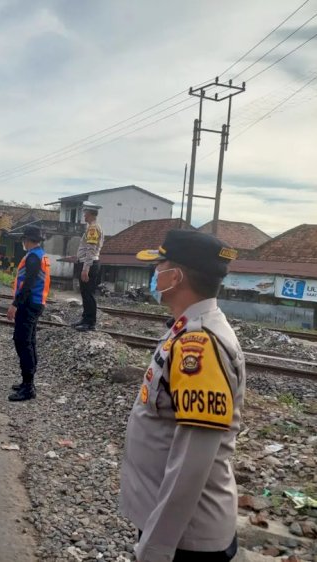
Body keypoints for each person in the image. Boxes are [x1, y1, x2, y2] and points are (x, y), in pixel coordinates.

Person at [119, 229, 244, 562]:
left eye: (159, 266)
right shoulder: (187, 327)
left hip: (185, 539)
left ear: (175, 276)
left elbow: (192, 462)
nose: (154, 274)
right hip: (176, 528)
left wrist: (156, 549)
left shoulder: (200, 344)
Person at [6, 226, 51, 402]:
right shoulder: (41, 255)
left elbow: (28, 283)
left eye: (24, 239)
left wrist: (15, 304)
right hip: (37, 302)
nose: (23, 242)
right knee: (29, 342)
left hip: (28, 303)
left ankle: (28, 387)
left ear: (28, 240)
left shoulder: (33, 257)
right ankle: (27, 382)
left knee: (22, 342)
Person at [72, 201, 103, 331]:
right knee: (85, 293)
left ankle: (90, 323)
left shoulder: (93, 228)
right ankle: (85, 319)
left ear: (90, 213)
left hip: (88, 264)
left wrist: (86, 268)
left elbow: (90, 249)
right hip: (88, 263)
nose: (83, 215)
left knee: (88, 294)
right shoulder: (92, 227)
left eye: (85, 212)